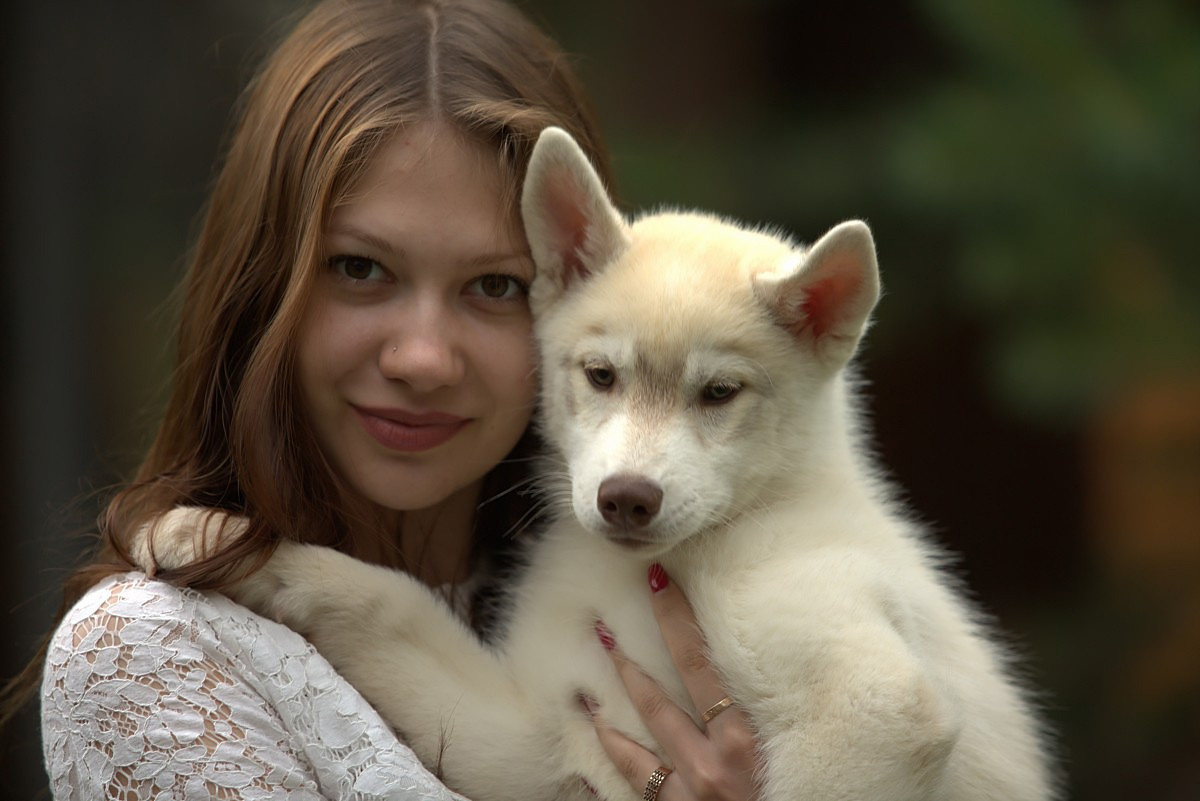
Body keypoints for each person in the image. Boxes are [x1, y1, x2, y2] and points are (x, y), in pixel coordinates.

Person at [5, 1, 761, 798]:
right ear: (262, 288)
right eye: (361, 269)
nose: (423, 358)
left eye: (495, 285)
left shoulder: (686, 607)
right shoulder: (157, 651)